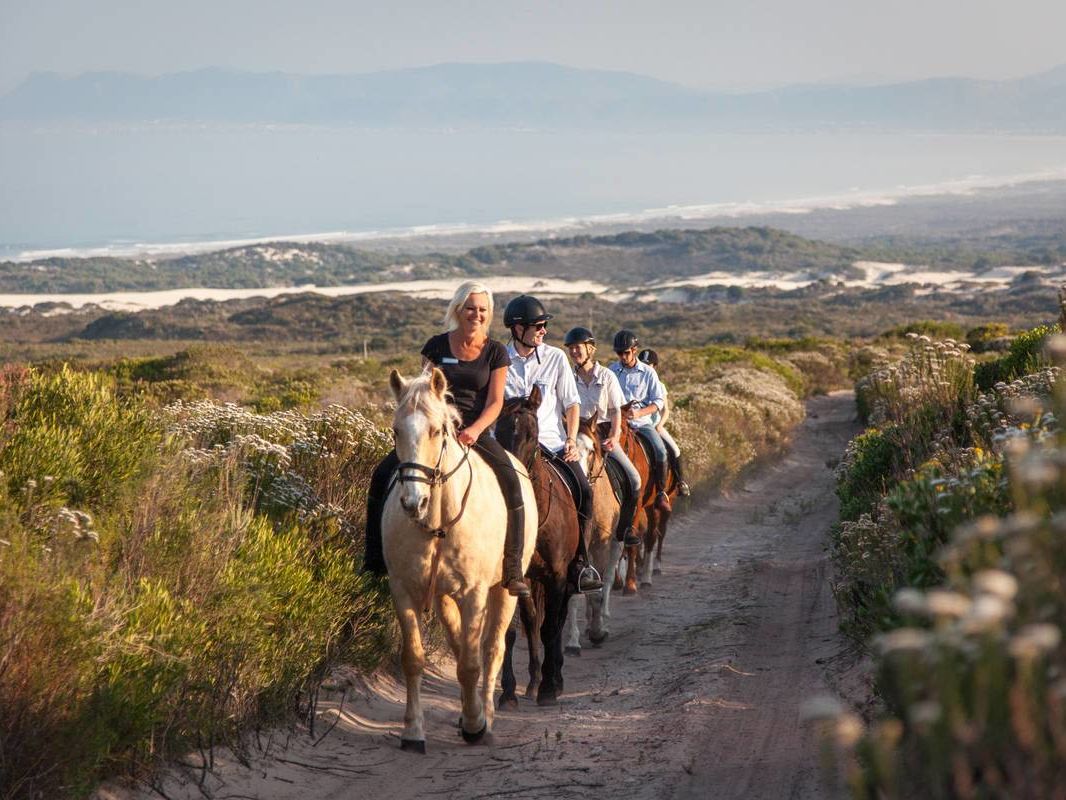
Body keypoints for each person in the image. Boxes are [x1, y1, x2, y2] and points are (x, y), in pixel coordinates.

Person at [363, 281, 530, 597]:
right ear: (458, 309)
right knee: (381, 474)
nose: (476, 315)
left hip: (473, 432)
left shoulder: (496, 352)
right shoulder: (436, 347)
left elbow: (495, 402)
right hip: (433, 432)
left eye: (482, 310)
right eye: (470, 308)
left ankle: (512, 567)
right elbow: (422, 393)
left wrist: (475, 430)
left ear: (488, 313)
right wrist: (431, 428)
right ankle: (374, 560)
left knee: (512, 480)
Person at [502, 295, 602, 593]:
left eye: (545, 325)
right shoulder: (499, 359)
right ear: (518, 328)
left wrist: (571, 439)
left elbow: (571, 405)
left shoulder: (556, 358)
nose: (544, 330)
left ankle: (581, 563)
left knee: (583, 490)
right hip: (510, 448)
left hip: (551, 444)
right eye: (539, 326)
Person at [564, 326, 642, 546]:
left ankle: (625, 528)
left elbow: (616, 410)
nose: (574, 353)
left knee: (634, 478)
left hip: (602, 432)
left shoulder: (607, 376)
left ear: (590, 349)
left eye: (577, 348)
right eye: (571, 349)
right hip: (576, 433)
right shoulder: (568, 377)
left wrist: (615, 436)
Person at [609, 329, 674, 510]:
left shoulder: (648, 372)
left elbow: (658, 402)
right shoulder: (611, 371)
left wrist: (638, 414)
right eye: (619, 353)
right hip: (617, 422)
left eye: (626, 352)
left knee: (661, 451)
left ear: (634, 350)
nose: (622, 356)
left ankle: (661, 492)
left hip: (641, 423)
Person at [637, 348, 691, 497]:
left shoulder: (659, 385)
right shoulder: (636, 382)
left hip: (655, 425)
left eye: (649, 364)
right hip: (637, 424)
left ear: (655, 366)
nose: (646, 367)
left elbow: (665, 410)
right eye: (642, 364)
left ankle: (680, 482)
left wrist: (660, 425)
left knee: (674, 449)